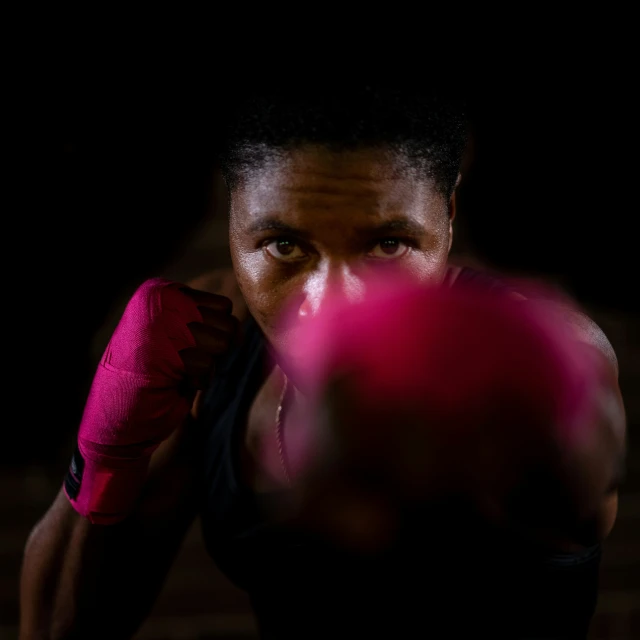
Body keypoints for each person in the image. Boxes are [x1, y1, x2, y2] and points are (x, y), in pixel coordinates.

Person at [19, 85, 626, 639]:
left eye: (387, 245)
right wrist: (102, 456)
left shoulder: (531, 367)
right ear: (234, 218)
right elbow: (56, 631)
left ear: (448, 212)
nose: (331, 306)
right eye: (286, 245)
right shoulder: (206, 345)